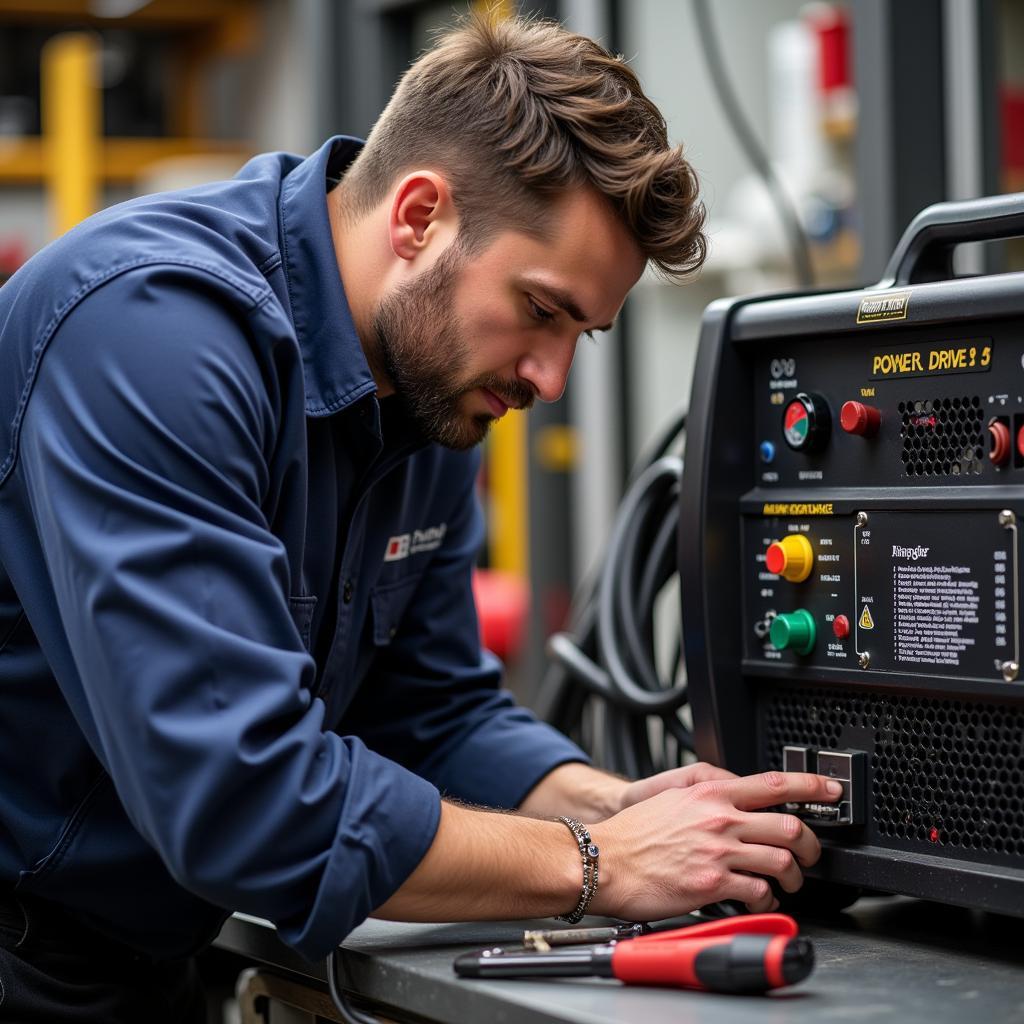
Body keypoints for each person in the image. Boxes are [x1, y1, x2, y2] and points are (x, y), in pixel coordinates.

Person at [0, 13, 841, 1021]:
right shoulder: (153, 336)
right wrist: (596, 861)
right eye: (540, 309)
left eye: (584, 331)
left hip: (145, 953)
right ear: (417, 218)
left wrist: (613, 803)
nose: (550, 375)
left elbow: (430, 706)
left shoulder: (424, 389)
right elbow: (242, 801)